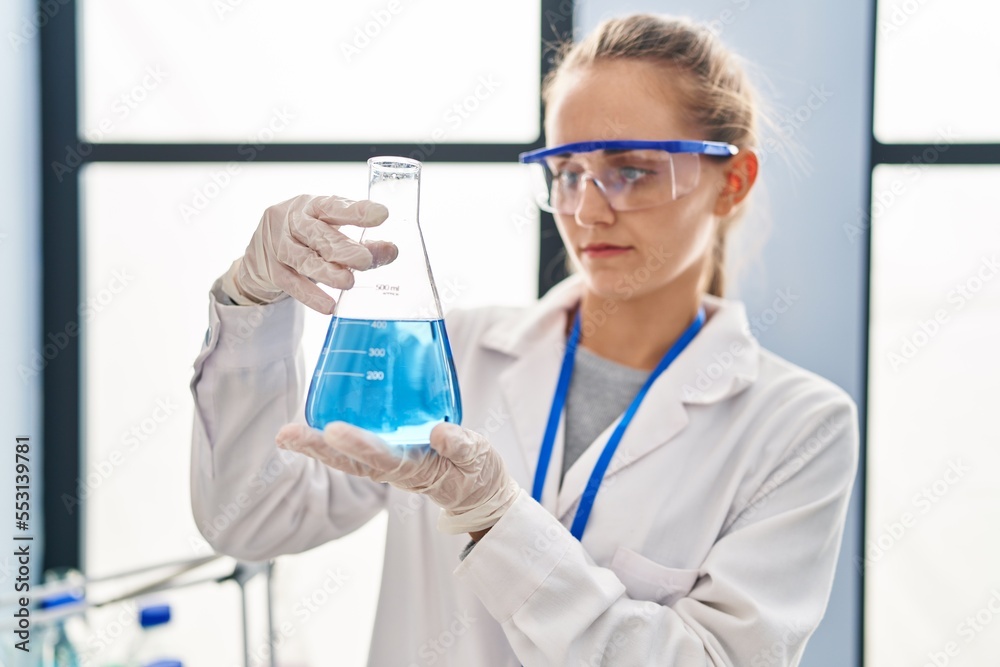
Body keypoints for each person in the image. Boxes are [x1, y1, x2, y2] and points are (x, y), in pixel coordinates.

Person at [189, 13, 858, 666]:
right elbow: (252, 519)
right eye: (568, 172)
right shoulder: (457, 353)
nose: (589, 210)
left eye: (632, 170)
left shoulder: (799, 426)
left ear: (732, 182)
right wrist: (251, 303)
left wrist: (496, 518)